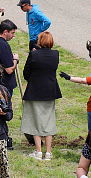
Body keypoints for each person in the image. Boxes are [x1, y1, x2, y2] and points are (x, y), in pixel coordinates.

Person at [21, 31, 61, 160]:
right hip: (50, 91)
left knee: (35, 121)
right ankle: (48, 152)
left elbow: (26, 73)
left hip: (35, 91)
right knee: (49, 120)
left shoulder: (34, 54)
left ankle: (38, 151)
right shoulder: (56, 54)